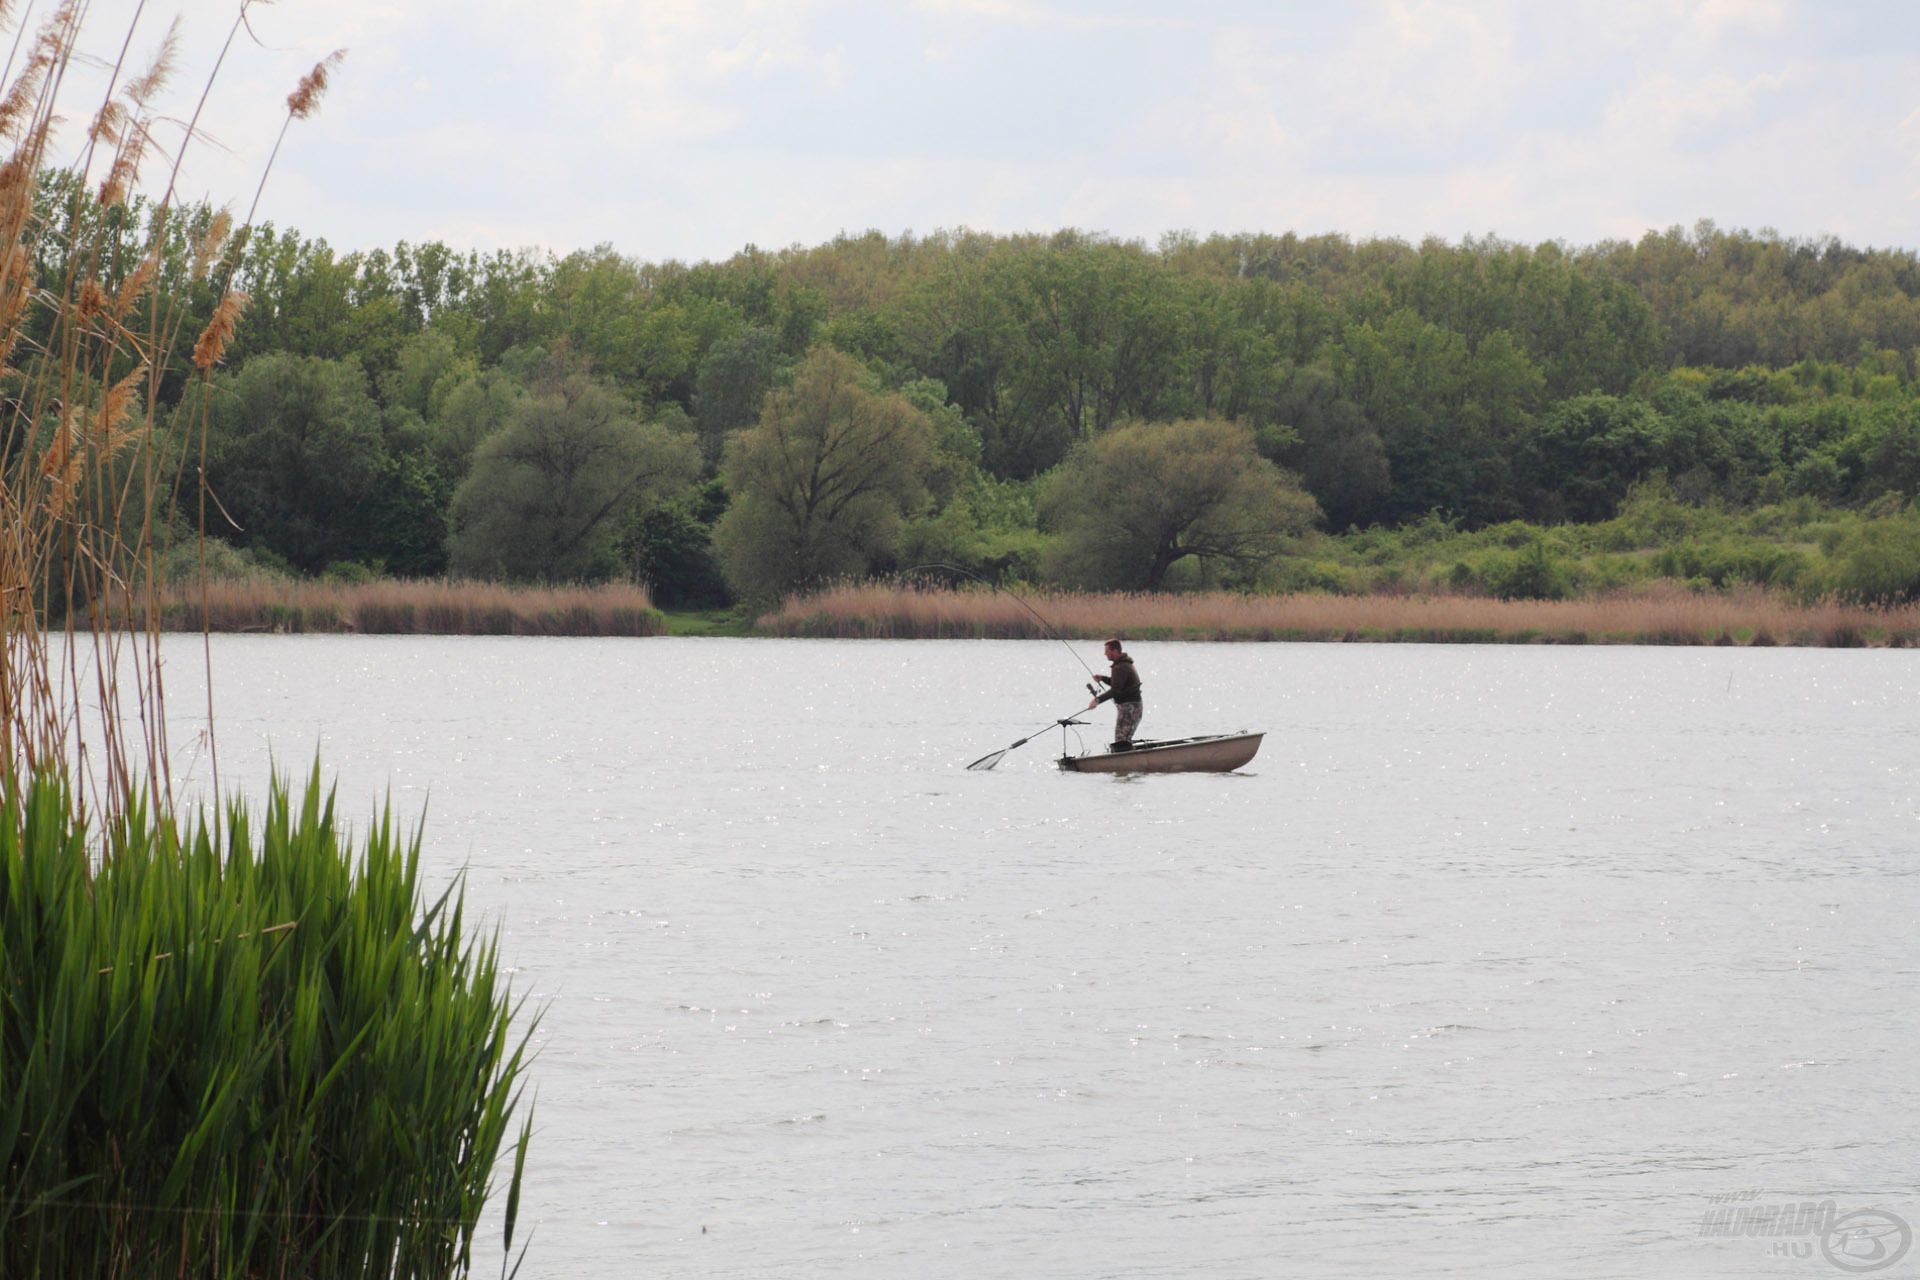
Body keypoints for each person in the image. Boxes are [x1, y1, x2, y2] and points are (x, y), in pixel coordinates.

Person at [1087, 637, 1143, 749]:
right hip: (1132, 707)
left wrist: (1097, 700)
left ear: (1115, 651)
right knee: (1123, 740)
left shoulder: (1121, 667)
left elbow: (1116, 690)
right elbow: (1118, 683)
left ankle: (1124, 762)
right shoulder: (1123, 664)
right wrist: (1103, 678)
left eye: (1107, 651)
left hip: (1129, 708)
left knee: (1121, 740)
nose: (1105, 654)